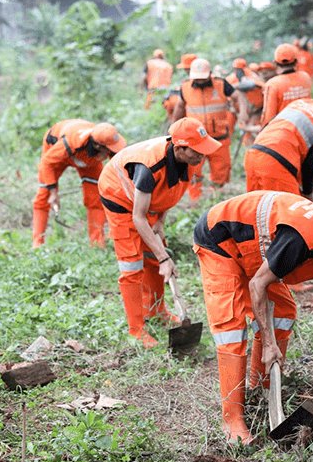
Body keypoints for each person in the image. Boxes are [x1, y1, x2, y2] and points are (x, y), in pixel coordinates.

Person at [193, 190, 313, 443]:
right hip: (220, 240)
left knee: (283, 313)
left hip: (255, 250)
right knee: (231, 327)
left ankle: (262, 389)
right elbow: (257, 286)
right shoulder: (304, 239)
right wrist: (269, 344)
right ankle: (232, 419)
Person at [98, 118, 222, 347]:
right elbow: (138, 216)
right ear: (179, 149)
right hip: (120, 197)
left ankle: (156, 311)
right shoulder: (148, 168)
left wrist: (161, 222)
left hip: (147, 203)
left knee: (154, 258)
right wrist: (165, 257)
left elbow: (169, 191)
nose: (202, 155)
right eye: (197, 150)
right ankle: (136, 329)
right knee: (132, 264)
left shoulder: (192, 160)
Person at [244, 90, 313, 197]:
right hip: (276, 163)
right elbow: (311, 161)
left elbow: (267, 124)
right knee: (290, 213)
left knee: (256, 210)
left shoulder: (300, 103)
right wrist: (308, 193)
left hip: (253, 154)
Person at [32, 120, 126, 249]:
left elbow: (118, 167)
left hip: (88, 160)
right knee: (44, 196)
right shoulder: (69, 143)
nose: (113, 150)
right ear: (99, 146)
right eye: (110, 148)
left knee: (96, 199)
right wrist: (53, 192)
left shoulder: (106, 143)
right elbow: (47, 163)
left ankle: (97, 245)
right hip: (56, 151)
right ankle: (37, 244)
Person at [172, 58, 251, 201]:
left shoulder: (221, 84)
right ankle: (196, 200)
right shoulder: (185, 87)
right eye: (197, 78)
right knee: (192, 171)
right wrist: (174, 127)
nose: (200, 81)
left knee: (221, 170)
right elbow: (179, 106)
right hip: (194, 141)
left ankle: (217, 198)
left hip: (219, 137)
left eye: (203, 78)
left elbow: (238, 96)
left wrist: (243, 112)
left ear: (210, 73)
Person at [261, 44, 313, 126]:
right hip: (304, 128)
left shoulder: (273, 84)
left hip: (284, 131)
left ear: (275, 63)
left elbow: (268, 119)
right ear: (296, 61)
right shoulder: (305, 77)